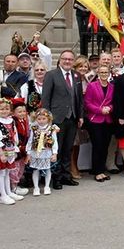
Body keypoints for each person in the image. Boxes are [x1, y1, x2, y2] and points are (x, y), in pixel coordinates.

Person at [41, 50, 84, 190]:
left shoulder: (76, 76)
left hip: (72, 118)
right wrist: (47, 119)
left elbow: (79, 99)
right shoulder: (51, 75)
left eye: (70, 59)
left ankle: (66, 176)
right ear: (59, 60)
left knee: (68, 148)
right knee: (56, 149)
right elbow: (46, 98)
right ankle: (56, 178)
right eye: (65, 59)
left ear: (73, 61)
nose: (67, 61)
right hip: (57, 118)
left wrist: (81, 115)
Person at [84, 65, 115, 182]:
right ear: (98, 73)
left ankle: (102, 170)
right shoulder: (92, 86)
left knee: (105, 146)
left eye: (106, 72)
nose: (104, 74)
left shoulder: (112, 87)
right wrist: (100, 110)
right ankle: (97, 172)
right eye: (101, 72)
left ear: (109, 73)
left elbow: (114, 102)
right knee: (97, 146)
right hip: (95, 119)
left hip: (107, 120)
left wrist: (110, 108)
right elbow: (87, 103)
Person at [26, 108, 59, 197]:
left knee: (48, 169)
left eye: (43, 119)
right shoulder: (34, 128)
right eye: (39, 119)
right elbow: (30, 141)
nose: (41, 121)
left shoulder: (52, 129)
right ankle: (36, 187)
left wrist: (54, 153)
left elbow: (55, 141)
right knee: (36, 169)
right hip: (35, 152)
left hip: (47, 152)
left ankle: (47, 186)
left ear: (48, 119)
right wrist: (28, 153)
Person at [70, 56, 90, 179]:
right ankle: (72, 168)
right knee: (73, 143)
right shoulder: (73, 80)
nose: (83, 69)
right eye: (80, 66)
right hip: (75, 115)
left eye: (85, 67)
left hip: (86, 115)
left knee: (78, 144)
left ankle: (75, 166)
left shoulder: (88, 80)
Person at [0, 98, 23, 204]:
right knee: (2, 173)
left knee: (8, 171)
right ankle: (3, 195)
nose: (4, 111)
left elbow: (14, 133)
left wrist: (16, 145)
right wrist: (1, 153)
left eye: (6, 109)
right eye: (1, 109)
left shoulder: (11, 120)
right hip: (2, 150)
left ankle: (9, 192)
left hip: (11, 148)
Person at [9, 98, 29, 197]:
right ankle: (13, 187)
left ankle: (16, 185)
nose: (22, 113)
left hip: (23, 149)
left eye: (24, 111)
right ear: (13, 112)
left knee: (21, 167)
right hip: (17, 148)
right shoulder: (13, 122)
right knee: (15, 168)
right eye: (19, 111)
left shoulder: (24, 121)